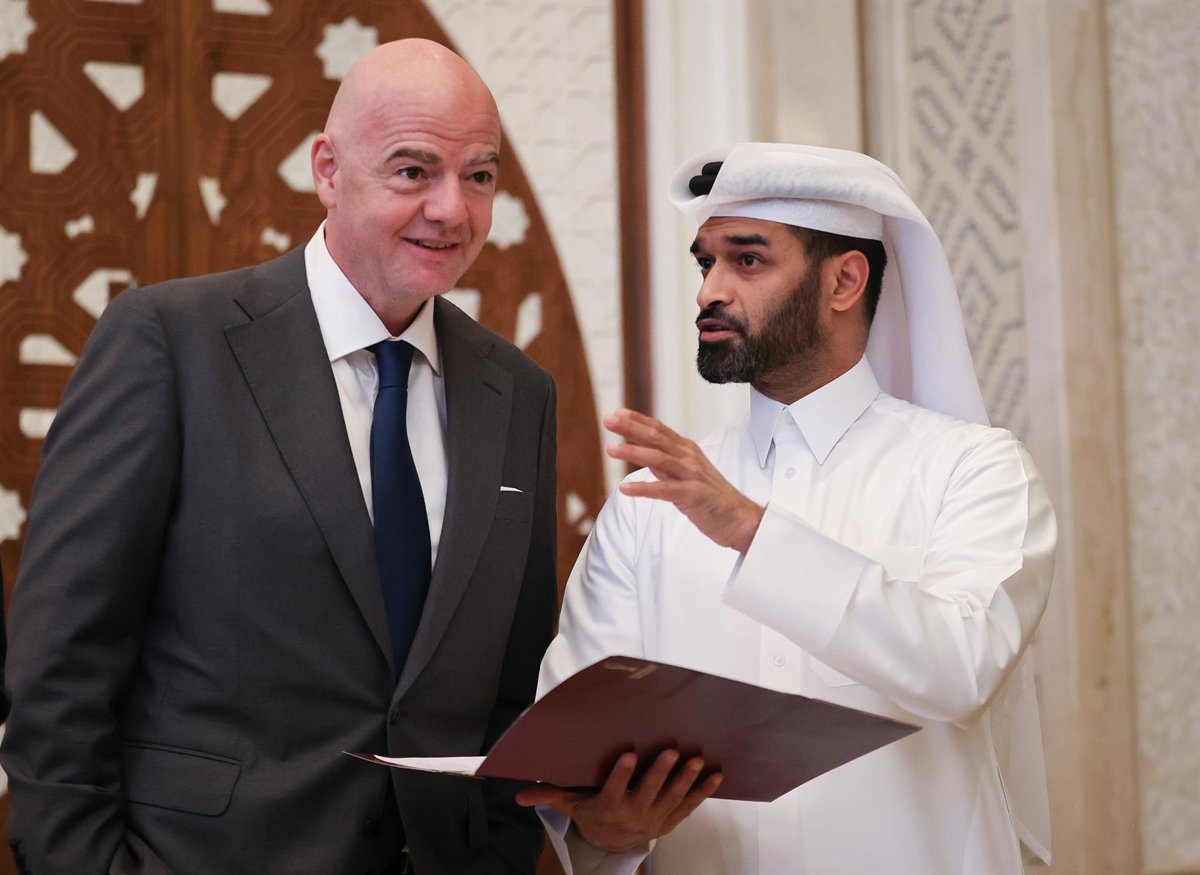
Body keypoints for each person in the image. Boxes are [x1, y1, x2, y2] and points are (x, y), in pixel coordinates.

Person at [1, 39, 557, 875]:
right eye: (413, 171)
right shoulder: (169, 344)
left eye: (479, 175)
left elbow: (514, 686)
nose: (452, 208)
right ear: (327, 170)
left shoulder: (519, 391)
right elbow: (60, 667)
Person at [519, 143, 1055, 874]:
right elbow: (577, 746)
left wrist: (752, 531)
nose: (710, 291)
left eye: (747, 260)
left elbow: (962, 667)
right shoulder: (649, 507)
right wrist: (606, 828)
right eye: (705, 263)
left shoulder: (973, 469)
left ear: (844, 280)